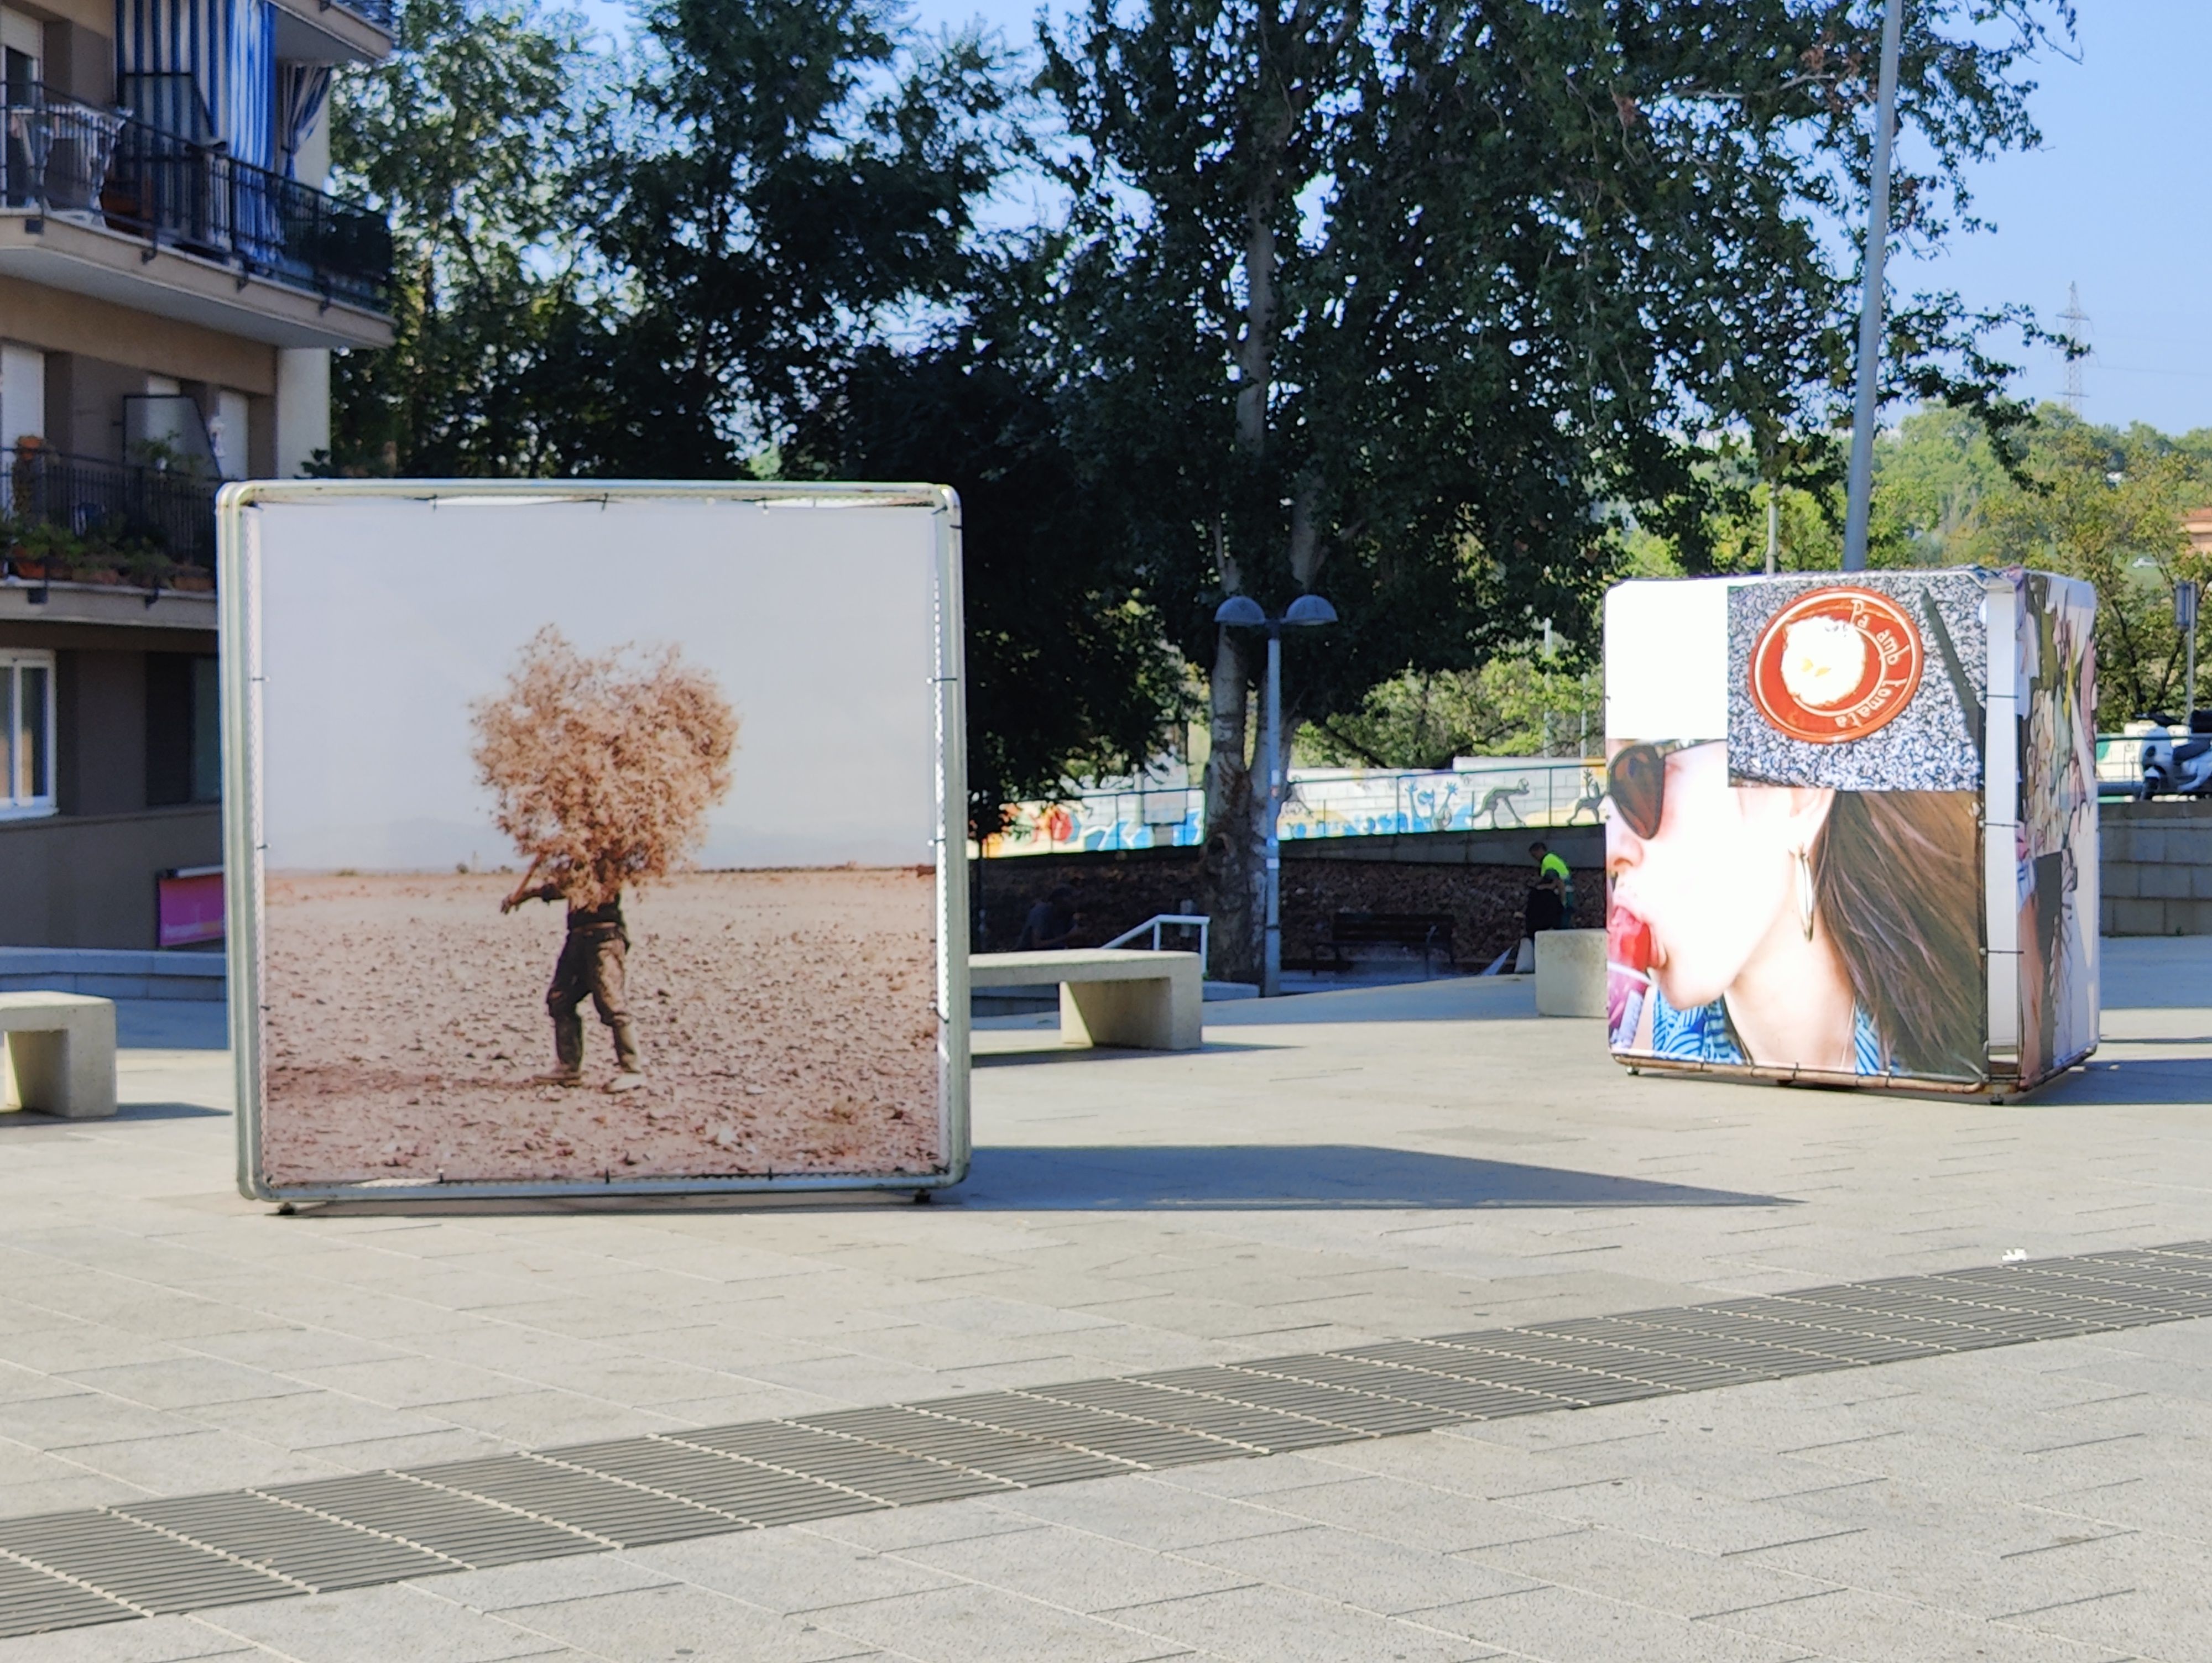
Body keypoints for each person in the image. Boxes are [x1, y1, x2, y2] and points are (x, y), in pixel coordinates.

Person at [1604, 740, 1981, 1079]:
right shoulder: (1641, 1045)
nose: (1612, 852)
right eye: (1607, 802)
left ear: (1800, 793)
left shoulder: (1967, 1051)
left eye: (1637, 775)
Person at [502, 857, 644, 1092]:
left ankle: (633, 1070)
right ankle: (569, 1068)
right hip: (577, 938)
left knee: (612, 1003)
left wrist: (529, 894)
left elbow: (575, 886)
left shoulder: (609, 861)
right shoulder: (578, 860)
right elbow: (566, 886)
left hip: (604, 939)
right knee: (560, 998)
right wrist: (528, 895)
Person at [1014, 885, 1077, 951]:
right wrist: (1067, 937)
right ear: (1059, 901)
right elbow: (1037, 945)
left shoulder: (1068, 915)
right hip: (1027, 956)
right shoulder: (1041, 912)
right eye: (1072, 899)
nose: (1075, 903)